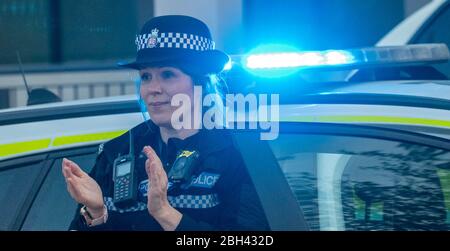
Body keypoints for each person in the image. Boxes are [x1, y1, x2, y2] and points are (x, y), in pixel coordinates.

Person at [62, 15, 269, 231]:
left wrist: (165, 213)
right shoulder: (117, 153)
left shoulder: (234, 154)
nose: (153, 88)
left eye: (167, 74)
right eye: (146, 77)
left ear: (202, 83)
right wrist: (96, 213)